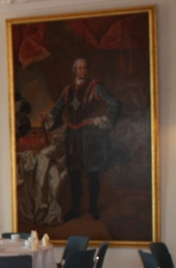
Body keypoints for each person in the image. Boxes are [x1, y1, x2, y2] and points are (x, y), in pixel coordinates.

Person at [44, 57, 121, 221]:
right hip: (73, 136)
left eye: (85, 68)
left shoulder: (95, 87)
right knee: (74, 174)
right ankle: (75, 209)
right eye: (79, 68)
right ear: (75, 71)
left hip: (91, 136)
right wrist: (49, 117)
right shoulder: (67, 90)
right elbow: (57, 108)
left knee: (93, 174)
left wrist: (103, 118)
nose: (83, 71)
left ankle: (93, 208)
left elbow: (114, 102)